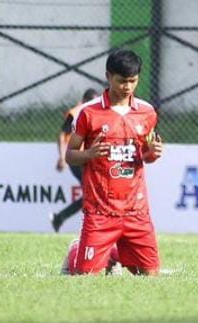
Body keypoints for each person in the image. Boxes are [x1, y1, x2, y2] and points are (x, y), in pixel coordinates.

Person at [65, 49, 163, 275]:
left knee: (149, 276)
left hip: (136, 211)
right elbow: (70, 154)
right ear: (108, 77)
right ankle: (76, 251)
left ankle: (113, 255)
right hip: (100, 211)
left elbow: (146, 155)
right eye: (121, 81)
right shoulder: (88, 113)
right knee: (85, 276)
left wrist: (153, 152)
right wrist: (90, 154)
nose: (127, 87)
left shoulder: (147, 113)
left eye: (133, 81)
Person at [51, 88, 99, 232]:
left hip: (87, 158)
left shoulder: (93, 112)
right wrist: (62, 157)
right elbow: (62, 135)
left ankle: (59, 218)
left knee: (91, 194)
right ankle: (92, 226)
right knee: (92, 194)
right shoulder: (76, 112)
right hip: (77, 159)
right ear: (83, 101)